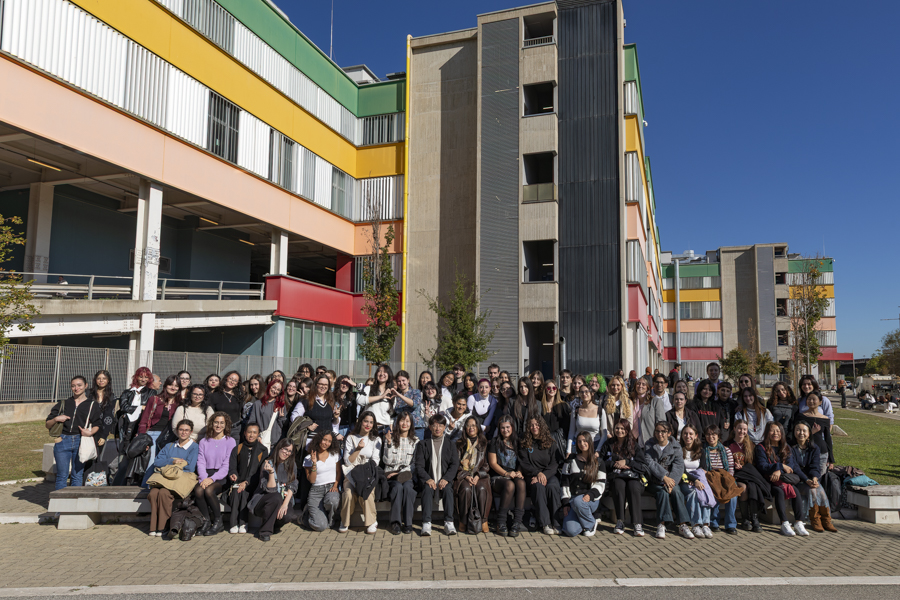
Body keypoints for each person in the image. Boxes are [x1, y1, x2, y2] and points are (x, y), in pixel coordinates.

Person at [46, 376, 101, 490]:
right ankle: (59, 507)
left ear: (86, 386)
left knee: (77, 475)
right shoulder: (64, 403)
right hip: (62, 441)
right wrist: (56, 419)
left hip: (80, 441)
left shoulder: (92, 404)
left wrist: (90, 433)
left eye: (79, 385)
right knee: (62, 476)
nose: (76, 388)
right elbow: (47, 424)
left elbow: (97, 424)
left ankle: (74, 506)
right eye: (73, 386)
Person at [146, 419, 198, 537]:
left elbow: (189, 466)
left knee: (164, 493)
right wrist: (173, 461)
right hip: (164, 479)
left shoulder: (194, 447)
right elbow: (157, 462)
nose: (183, 432)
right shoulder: (169, 446)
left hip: (180, 481)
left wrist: (168, 465)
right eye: (181, 430)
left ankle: (163, 526)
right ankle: (153, 527)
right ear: (176, 431)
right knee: (154, 493)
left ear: (191, 432)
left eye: (186, 430)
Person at [754, 422, 808, 537]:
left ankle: (798, 522)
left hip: (784, 480)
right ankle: (784, 523)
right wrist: (780, 466)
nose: (775, 433)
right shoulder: (761, 448)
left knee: (795, 491)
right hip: (768, 481)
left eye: (778, 431)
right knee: (778, 491)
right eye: (772, 431)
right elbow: (762, 466)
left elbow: (791, 466)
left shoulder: (786, 447)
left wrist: (779, 470)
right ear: (767, 432)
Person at [413, 414, 460, 536]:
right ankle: (426, 523)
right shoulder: (422, 444)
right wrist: (427, 479)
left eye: (440, 425)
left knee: (448, 489)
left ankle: (449, 522)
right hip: (428, 479)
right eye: (434, 425)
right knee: (427, 489)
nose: (437, 428)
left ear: (445, 427)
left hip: (444, 479)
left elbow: (454, 465)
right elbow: (419, 466)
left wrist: (446, 479)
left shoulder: (450, 445)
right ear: (429, 427)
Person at [645, 421, 693, 539]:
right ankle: (661, 524)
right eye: (657, 431)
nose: (660, 434)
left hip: (672, 480)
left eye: (663, 431)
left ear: (669, 433)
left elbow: (678, 466)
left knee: (676, 492)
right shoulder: (649, 444)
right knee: (662, 492)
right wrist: (664, 477)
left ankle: (683, 525)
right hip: (654, 480)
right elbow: (649, 463)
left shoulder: (675, 446)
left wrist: (671, 481)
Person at [600, 420, 646, 536]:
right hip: (616, 475)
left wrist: (628, 462)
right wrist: (614, 464)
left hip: (632, 476)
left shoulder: (634, 445)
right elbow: (600, 462)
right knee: (618, 485)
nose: (619, 431)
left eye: (622, 429)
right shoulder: (608, 444)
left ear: (627, 430)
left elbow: (643, 466)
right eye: (617, 428)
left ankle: (637, 523)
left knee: (634, 487)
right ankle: (620, 521)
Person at [193, 412, 236, 536]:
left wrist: (211, 479)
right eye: (216, 422)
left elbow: (227, 465)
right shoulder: (204, 441)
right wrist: (204, 477)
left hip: (222, 476)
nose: (218, 425)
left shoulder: (230, 441)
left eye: (222, 423)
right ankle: (206, 521)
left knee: (208, 491)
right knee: (199, 490)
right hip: (206, 474)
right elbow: (200, 462)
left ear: (226, 424)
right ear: (212, 423)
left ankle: (218, 522)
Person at [340, 411, 382, 534]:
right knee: (348, 493)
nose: (368, 424)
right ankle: (344, 521)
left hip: (368, 473)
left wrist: (365, 472)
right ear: (360, 422)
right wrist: (358, 449)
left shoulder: (376, 439)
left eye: (371, 422)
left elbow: (376, 460)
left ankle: (371, 521)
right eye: (366, 421)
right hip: (351, 473)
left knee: (367, 493)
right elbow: (348, 462)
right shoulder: (350, 438)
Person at [519, 416, 563, 535]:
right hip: (532, 475)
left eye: (537, 425)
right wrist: (537, 474)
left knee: (553, 487)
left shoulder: (550, 442)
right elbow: (524, 463)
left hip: (549, 473)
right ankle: (545, 523)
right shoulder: (525, 443)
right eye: (532, 425)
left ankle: (557, 523)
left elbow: (555, 463)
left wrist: (544, 474)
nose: (534, 427)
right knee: (538, 487)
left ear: (542, 426)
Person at [249, 438, 298, 542]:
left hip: (282, 499)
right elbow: (270, 490)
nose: (287, 453)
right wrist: (271, 472)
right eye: (285, 449)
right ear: (279, 448)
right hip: (264, 500)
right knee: (275, 497)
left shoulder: (292, 465)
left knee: (288, 515)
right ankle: (265, 532)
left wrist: (285, 504)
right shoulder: (267, 463)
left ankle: (274, 525)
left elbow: (293, 485)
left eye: (290, 451)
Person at [792, 422, 837, 533]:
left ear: (809, 433)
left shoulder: (814, 448)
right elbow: (795, 468)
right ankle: (815, 520)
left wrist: (815, 478)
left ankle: (826, 520)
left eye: (804, 431)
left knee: (820, 490)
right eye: (798, 430)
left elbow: (815, 466)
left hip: (810, 479)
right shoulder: (790, 447)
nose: (801, 433)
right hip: (797, 480)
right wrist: (806, 480)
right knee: (813, 490)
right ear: (794, 432)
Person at [560, 431, 606, 537]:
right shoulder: (570, 460)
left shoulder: (598, 462)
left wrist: (590, 495)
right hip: (573, 500)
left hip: (590, 500)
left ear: (590, 442)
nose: (582, 444)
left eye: (585, 441)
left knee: (578, 501)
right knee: (570, 531)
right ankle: (584, 520)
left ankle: (590, 524)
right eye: (579, 441)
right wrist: (565, 502)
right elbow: (564, 482)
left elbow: (601, 483)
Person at [488, 415, 525, 537]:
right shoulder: (494, 442)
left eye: (508, 427)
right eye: (502, 428)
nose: (505, 430)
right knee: (509, 485)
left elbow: (521, 461)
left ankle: (517, 522)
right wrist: (506, 474)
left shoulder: (517, 442)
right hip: (498, 477)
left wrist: (519, 471)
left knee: (521, 483)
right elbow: (492, 463)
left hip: (513, 475)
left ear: (512, 427)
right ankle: (501, 522)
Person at [226, 423, 267, 534]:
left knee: (244, 493)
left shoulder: (263, 450)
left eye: (254, 432)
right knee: (235, 492)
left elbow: (260, 470)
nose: (251, 435)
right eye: (249, 432)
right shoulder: (238, 448)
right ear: (244, 433)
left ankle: (243, 523)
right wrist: (233, 474)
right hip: (238, 481)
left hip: (253, 482)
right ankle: (233, 523)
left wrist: (247, 482)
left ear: (258, 434)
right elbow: (232, 466)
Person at [728, 420, 768, 532]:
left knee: (754, 487)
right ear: (734, 428)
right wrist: (733, 465)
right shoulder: (728, 444)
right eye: (740, 428)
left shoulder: (751, 445)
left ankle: (754, 519)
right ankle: (745, 519)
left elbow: (753, 463)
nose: (742, 431)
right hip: (735, 475)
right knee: (744, 488)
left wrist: (744, 466)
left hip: (748, 474)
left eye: (744, 429)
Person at [454, 416, 492, 534]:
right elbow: (456, 464)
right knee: (465, 489)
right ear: (465, 428)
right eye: (468, 425)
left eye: (474, 425)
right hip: (463, 475)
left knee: (481, 488)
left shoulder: (484, 443)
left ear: (478, 427)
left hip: (480, 475)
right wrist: (466, 476)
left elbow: (486, 465)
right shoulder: (459, 444)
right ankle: (463, 520)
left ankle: (484, 520)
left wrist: (478, 475)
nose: (471, 428)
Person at [701, 425, 741, 535]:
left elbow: (731, 468)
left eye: (713, 434)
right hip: (710, 479)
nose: (711, 437)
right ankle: (714, 522)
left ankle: (731, 524)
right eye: (708, 434)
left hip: (725, 478)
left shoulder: (726, 450)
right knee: (714, 492)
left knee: (732, 495)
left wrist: (727, 481)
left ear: (718, 436)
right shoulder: (703, 450)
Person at [383, 413, 418, 534]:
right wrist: (388, 444)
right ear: (397, 423)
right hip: (390, 474)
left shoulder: (415, 441)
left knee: (408, 488)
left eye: (407, 421)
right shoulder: (390, 438)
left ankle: (408, 523)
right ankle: (395, 523)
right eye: (402, 421)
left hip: (406, 474)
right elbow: (387, 461)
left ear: (411, 424)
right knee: (397, 488)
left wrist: (400, 473)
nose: (405, 424)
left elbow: (414, 464)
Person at [679, 425, 715, 539]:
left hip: (699, 480)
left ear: (696, 436)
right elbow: (681, 470)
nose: (688, 436)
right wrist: (693, 480)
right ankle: (695, 524)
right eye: (685, 433)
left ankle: (705, 525)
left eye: (690, 434)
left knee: (704, 492)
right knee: (693, 493)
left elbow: (704, 469)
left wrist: (697, 481)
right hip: (684, 481)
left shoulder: (701, 451)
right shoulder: (678, 450)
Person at [303, 430, 342, 532]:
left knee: (333, 501)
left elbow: (338, 473)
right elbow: (312, 480)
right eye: (324, 440)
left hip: (331, 488)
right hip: (316, 491)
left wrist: (335, 485)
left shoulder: (335, 455)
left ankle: (331, 519)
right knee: (320, 527)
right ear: (319, 439)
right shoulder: (308, 458)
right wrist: (314, 463)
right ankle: (304, 517)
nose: (326, 443)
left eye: (329, 441)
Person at [138, 375, 181, 466]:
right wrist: (143, 438)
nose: (173, 388)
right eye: (170, 385)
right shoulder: (154, 399)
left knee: (166, 464)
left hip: (170, 436)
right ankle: (148, 480)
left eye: (176, 386)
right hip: (153, 435)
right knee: (151, 464)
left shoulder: (180, 403)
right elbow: (144, 420)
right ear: (165, 385)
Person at [794, 391, 834, 470]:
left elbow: (828, 438)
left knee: (819, 477)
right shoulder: (800, 416)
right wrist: (811, 433)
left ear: (820, 402)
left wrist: (831, 459)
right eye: (809, 399)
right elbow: (795, 434)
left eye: (814, 399)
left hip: (822, 452)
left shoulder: (825, 419)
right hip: (804, 451)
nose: (811, 401)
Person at [118, 367, 155, 444]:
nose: (143, 379)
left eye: (146, 377)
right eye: (141, 377)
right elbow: (123, 407)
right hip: (127, 423)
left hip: (142, 422)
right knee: (125, 445)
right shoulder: (127, 392)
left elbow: (150, 408)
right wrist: (140, 407)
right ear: (136, 377)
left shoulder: (151, 392)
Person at [567, 385, 608, 454]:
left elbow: (604, 434)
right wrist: (568, 450)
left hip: (595, 445)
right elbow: (571, 432)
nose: (584, 394)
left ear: (592, 393)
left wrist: (598, 450)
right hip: (579, 446)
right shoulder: (576, 411)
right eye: (581, 392)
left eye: (586, 392)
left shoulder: (600, 411)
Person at [248, 380, 286, 452]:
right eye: (274, 387)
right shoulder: (258, 404)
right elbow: (252, 422)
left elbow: (283, 427)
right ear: (269, 386)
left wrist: (281, 418)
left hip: (276, 443)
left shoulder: (281, 405)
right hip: (261, 441)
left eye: (278, 390)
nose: (275, 391)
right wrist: (257, 436)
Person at [295, 375, 338, 439]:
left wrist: (336, 418)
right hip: (311, 440)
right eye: (321, 384)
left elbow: (334, 424)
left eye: (326, 385)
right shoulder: (305, 400)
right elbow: (294, 417)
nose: (323, 387)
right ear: (315, 385)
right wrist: (306, 425)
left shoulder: (331, 401)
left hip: (327, 441)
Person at [358, 364, 395, 432]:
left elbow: (391, 414)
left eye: (384, 372)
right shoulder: (368, 388)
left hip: (385, 428)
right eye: (379, 371)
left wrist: (391, 429)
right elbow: (360, 401)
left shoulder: (391, 393)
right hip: (369, 428)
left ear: (389, 375)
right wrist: (381, 396)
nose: (381, 374)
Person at [208, 371, 244, 440]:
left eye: (235, 380)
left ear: (237, 384)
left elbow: (239, 413)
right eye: (231, 378)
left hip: (235, 430)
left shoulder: (239, 398)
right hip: (220, 429)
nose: (232, 381)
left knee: (234, 450)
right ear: (226, 379)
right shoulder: (215, 395)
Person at [89, 370, 117, 450]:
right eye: (99, 378)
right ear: (95, 380)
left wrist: (104, 435)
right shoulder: (88, 394)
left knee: (97, 456)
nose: (101, 381)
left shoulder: (111, 396)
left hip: (101, 431)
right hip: (87, 429)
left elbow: (109, 416)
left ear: (108, 381)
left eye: (104, 378)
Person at [393, 370, 425, 440]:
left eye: (403, 380)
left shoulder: (416, 392)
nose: (401, 383)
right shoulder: (396, 396)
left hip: (416, 427)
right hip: (401, 428)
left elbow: (414, 404)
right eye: (399, 381)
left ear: (408, 380)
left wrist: (399, 395)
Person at [634, 377, 666, 446]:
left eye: (643, 384)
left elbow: (661, 424)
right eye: (638, 384)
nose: (640, 386)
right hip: (634, 444)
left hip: (650, 442)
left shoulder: (655, 402)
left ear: (648, 388)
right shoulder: (631, 402)